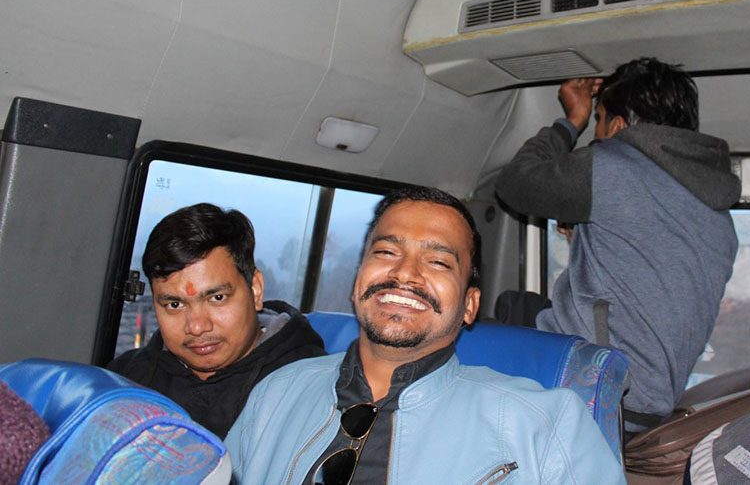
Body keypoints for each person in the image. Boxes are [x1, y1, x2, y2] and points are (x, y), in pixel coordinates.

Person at [225, 186, 624, 485]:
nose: (405, 273)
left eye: (437, 261)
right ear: (357, 280)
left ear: (469, 305)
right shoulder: (275, 395)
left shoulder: (547, 426)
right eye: (386, 252)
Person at [495, 57, 742, 431]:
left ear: (619, 126)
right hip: (648, 401)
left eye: (599, 120)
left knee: (468, 334)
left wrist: (572, 120)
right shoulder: (718, 214)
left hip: (601, 389)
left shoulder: (613, 162)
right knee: (517, 305)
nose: (595, 132)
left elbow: (516, 183)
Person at [107, 203, 327, 438]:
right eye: (175, 305)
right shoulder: (124, 380)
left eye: (217, 298)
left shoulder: (312, 389)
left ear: (255, 290)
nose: (197, 327)